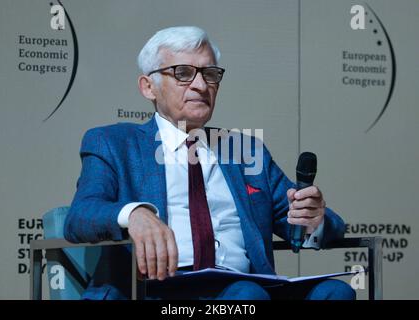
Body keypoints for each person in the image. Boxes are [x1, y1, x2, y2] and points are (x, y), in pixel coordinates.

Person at [64, 26, 355, 300]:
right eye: (183, 73)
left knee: (335, 293)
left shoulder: (244, 151)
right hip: (159, 291)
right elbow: (80, 217)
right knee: (246, 295)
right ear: (148, 87)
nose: (201, 85)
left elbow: (302, 222)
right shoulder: (114, 143)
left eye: (210, 74)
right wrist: (134, 214)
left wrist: (313, 220)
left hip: (245, 287)